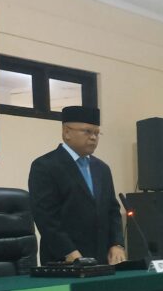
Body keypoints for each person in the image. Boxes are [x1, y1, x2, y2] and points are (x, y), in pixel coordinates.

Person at [29, 106, 126, 265]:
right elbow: (46, 217)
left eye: (96, 133)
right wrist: (69, 252)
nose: (93, 137)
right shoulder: (46, 166)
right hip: (65, 261)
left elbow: (112, 210)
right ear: (66, 132)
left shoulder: (102, 169)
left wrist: (117, 244)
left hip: (102, 260)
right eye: (87, 132)